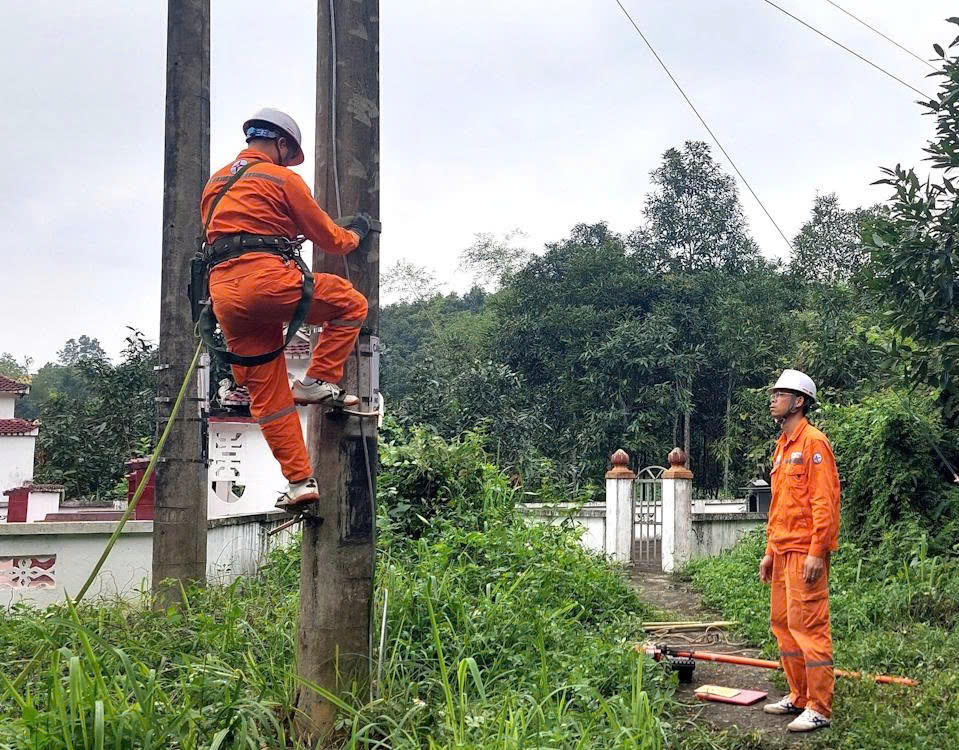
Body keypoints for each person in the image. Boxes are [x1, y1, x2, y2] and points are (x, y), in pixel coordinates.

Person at [200, 108, 371, 508]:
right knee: (350, 304)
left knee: (270, 399)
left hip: (225, 297)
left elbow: (227, 230)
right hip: (267, 282)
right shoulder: (282, 178)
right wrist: (355, 235)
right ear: (281, 144)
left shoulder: (215, 184)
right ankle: (317, 380)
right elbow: (327, 236)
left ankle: (300, 483)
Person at [759, 369, 840, 733]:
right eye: (774, 393)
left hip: (806, 552)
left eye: (781, 393)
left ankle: (820, 707)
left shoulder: (813, 443)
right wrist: (769, 551)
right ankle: (800, 695)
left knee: (810, 628)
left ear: (800, 401)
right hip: (782, 551)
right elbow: (779, 506)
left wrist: (815, 552)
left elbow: (825, 504)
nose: (774, 398)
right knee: (784, 625)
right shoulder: (782, 446)